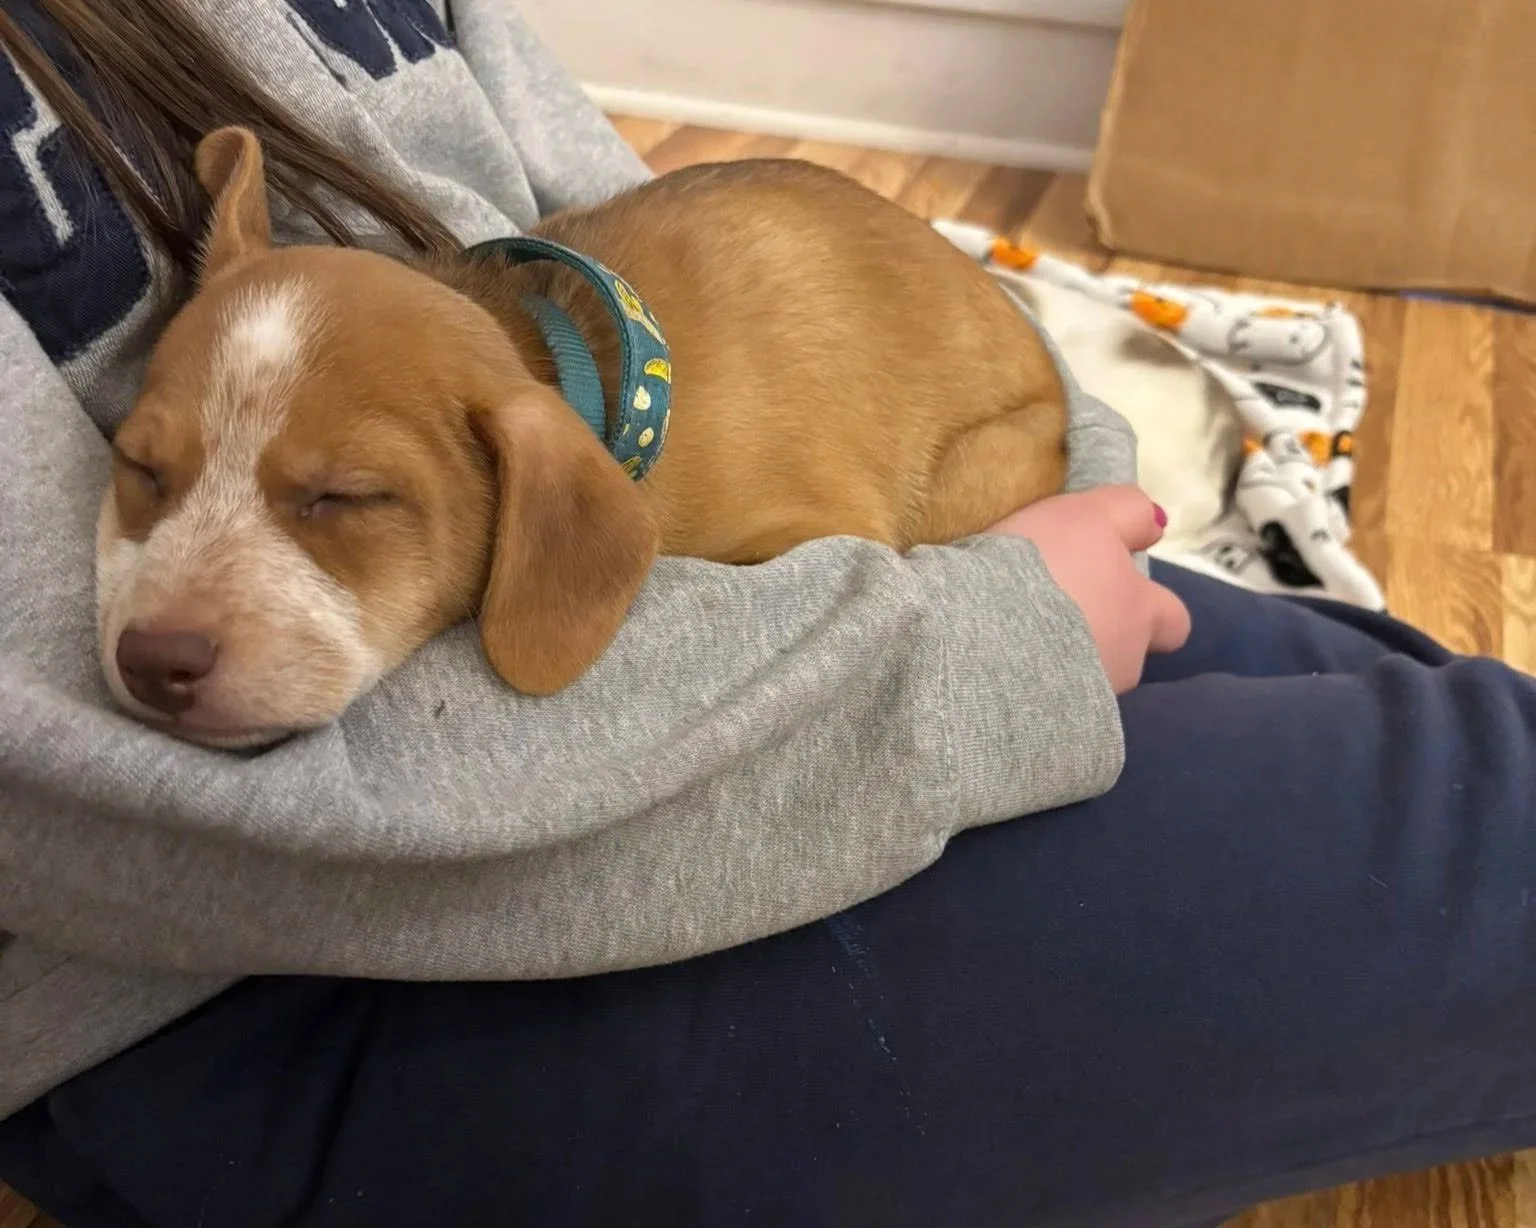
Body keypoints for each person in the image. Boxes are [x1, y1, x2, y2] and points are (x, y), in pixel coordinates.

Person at [0, 2, 1532, 1226]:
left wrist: (1056, 535)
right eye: (145, 476)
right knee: (1494, 811)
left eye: (335, 506)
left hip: (765, 607)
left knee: (1417, 704)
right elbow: (102, 810)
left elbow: (630, 241)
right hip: (262, 996)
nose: (165, 604)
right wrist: (998, 641)